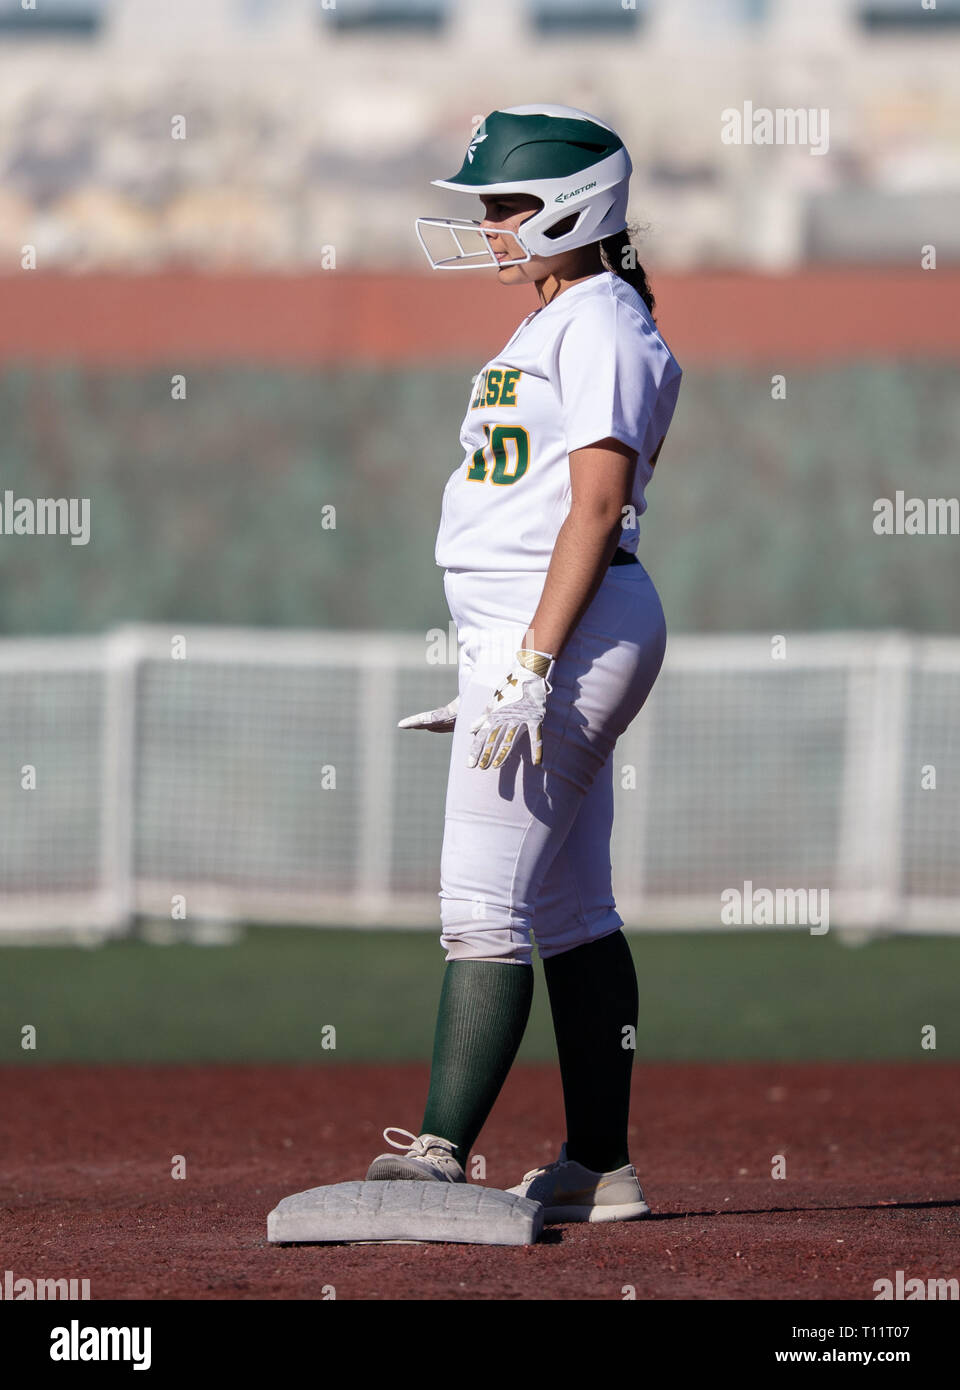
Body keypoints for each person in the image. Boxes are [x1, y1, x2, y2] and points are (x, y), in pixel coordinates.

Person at [366, 105, 682, 1223]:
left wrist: (533, 661)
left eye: (504, 204)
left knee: (482, 904)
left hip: (564, 626)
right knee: (570, 905)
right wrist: (506, 658)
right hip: (540, 629)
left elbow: (596, 505)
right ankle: (598, 1166)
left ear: (571, 205)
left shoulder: (597, 320)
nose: (490, 224)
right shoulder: (566, 317)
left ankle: (442, 1152)